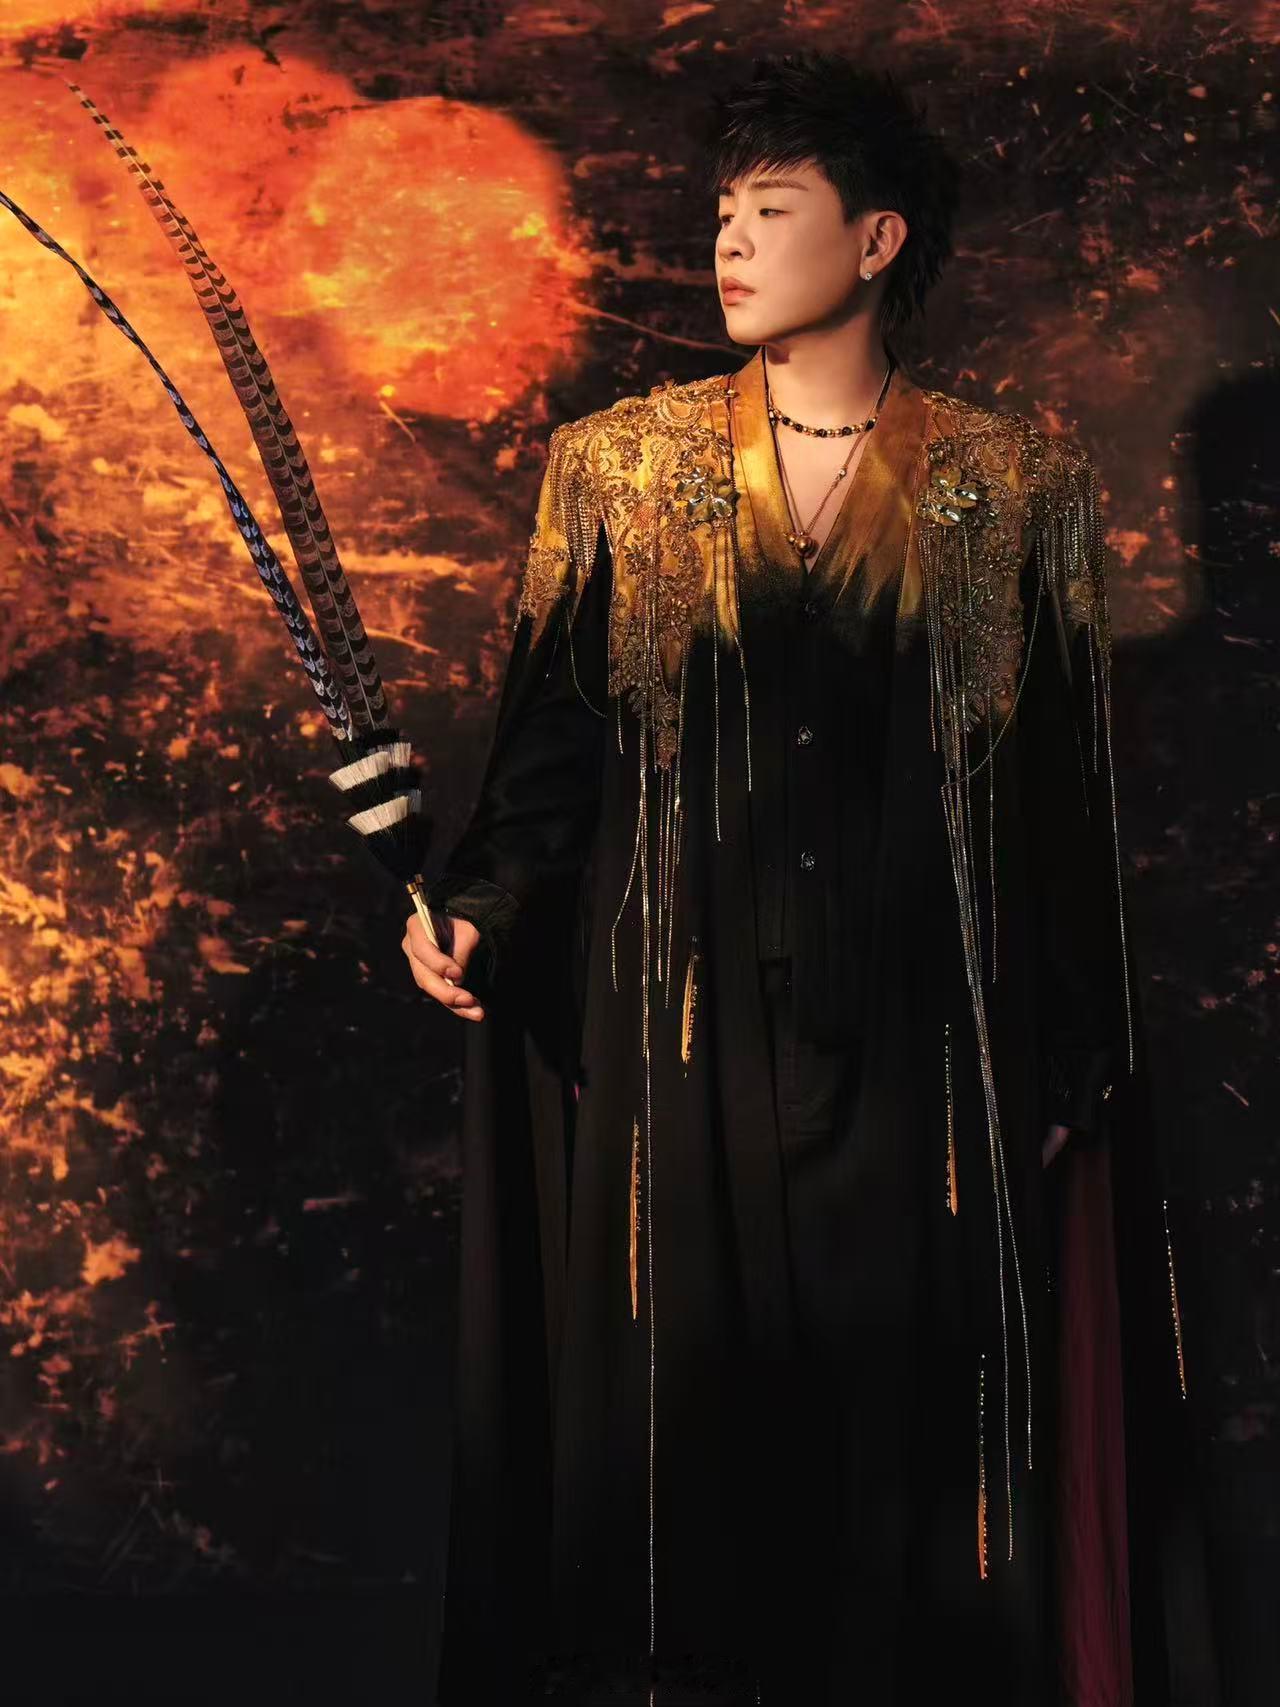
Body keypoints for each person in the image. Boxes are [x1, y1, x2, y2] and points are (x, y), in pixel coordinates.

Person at [404, 50, 1220, 1707]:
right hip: (680, 1030)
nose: (725, 241)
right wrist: (482, 901)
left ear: (876, 239)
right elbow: (555, 745)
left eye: (770, 210)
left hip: (931, 1048)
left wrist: (1064, 1060)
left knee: (919, 1476)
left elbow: (1058, 808)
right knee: (681, 1464)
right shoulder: (618, 470)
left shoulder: (1014, 486)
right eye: (721, 210)